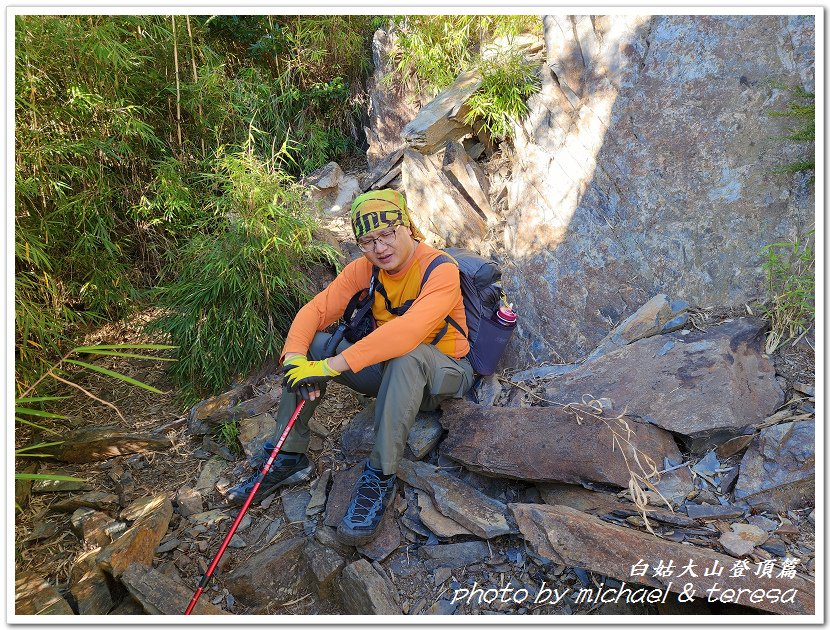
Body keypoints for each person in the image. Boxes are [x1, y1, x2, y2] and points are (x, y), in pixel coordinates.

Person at [224, 188, 475, 545]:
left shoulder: (440, 269)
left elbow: (408, 333)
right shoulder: (365, 269)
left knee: (407, 353)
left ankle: (380, 474)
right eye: (368, 240)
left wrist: (329, 367)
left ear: (406, 226)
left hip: (443, 375)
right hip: (390, 371)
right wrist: (298, 361)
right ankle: (288, 455)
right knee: (312, 344)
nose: (380, 248)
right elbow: (314, 311)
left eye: (387, 233)